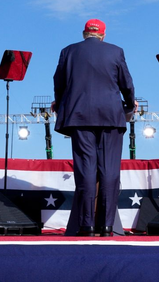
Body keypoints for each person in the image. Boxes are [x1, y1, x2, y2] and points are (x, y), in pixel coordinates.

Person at [52, 18, 136, 237]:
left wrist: (60, 104)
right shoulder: (116, 51)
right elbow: (126, 83)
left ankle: (87, 225)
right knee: (109, 171)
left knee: (86, 170)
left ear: (83, 33)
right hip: (111, 116)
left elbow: (59, 82)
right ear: (104, 35)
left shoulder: (67, 52)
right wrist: (129, 104)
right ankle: (107, 226)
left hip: (79, 116)